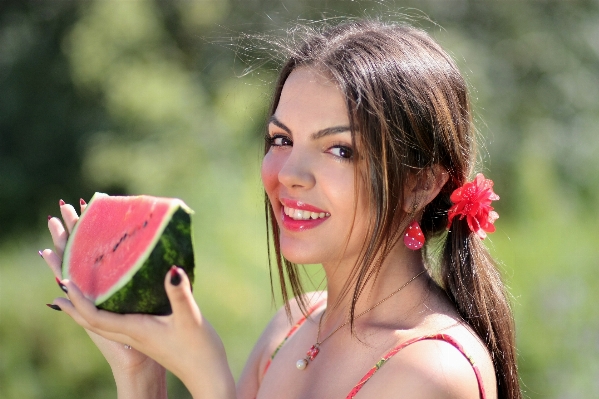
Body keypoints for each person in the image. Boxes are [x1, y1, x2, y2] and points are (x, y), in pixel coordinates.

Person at [43, 20, 521, 398]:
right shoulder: (293, 326)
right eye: (281, 139)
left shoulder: (428, 370)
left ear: (420, 186)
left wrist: (206, 373)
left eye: (339, 150)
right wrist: (140, 370)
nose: (289, 173)